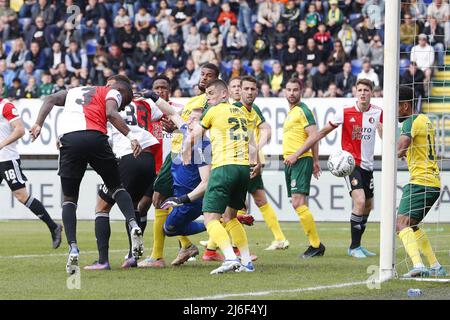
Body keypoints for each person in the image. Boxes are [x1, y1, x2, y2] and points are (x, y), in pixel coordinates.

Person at [29, 75, 144, 274]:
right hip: (95, 138)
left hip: (70, 140)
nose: (124, 106)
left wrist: (38, 123)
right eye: (126, 101)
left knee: (69, 199)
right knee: (116, 187)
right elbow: (111, 113)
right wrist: (131, 136)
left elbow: (49, 100)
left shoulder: (74, 91)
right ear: (120, 90)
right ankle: (133, 223)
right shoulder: (112, 90)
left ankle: (73, 246)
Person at [139, 64, 220, 268]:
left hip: (186, 158)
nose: (204, 78)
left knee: (165, 208)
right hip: (176, 155)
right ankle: (182, 246)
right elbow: (176, 117)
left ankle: (158, 256)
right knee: (162, 202)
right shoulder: (193, 102)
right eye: (202, 74)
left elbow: (203, 129)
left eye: (209, 76)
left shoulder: (212, 103)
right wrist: (154, 98)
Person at [292, 79, 382, 258]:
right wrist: (302, 150)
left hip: (368, 166)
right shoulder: (346, 112)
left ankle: (358, 245)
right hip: (351, 164)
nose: (363, 93)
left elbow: (385, 135)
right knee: (360, 201)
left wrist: (382, 130)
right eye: (360, 90)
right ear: (355, 92)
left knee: (368, 206)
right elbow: (323, 131)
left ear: (371, 93)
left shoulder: (379, 113)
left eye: (366, 90)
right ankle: (354, 247)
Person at [84, 76, 164, 270]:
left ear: (117, 87)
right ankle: (132, 256)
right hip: (147, 158)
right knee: (134, 206)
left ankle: (103, 261)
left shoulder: (105, 102)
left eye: (109, 85)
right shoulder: (144, 102)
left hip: (128, 155)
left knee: (102, 207)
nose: (106, 88)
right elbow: (162, 114)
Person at [186, 79, 256, 274]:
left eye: (210, 93)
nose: (207, 98)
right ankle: (246, 261)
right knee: (231, 216)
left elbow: (195, 135)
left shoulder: (214, 111)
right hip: (243, 168)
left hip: (224, 167)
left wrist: (185, 151)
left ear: (224, 95)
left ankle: (230, 258)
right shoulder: (241, 112)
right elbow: (251, 142)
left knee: (210, 217)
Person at [396, 85, 446, 278]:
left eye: (397, 105)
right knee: (412, 225)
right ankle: (435, 266)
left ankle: (419, 265)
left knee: (401, 224)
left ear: (406, 106)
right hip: (431, 181)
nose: (395, 110)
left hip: (421, 181)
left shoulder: (410, 122)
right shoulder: (425, 119)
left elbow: (400, 149)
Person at [0, 97, 62, 249]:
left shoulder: (5, 106)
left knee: (21, 196)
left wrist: (1, 145)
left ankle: (53, 226)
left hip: (7, 159)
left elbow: (20, 129)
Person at [236, 76, 289, 250]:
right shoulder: (235, 109)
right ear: (239, 91)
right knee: (246, 202)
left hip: (247, 163)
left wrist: (256, 155)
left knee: (241, 203)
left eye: (253, 89)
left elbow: (264, 132)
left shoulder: (254, 109)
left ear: (257, 91)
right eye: (246, 89)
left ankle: (216, 246)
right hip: (238, 161)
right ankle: (215, 244)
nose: (250, 92)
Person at [281, 78, 325, 259]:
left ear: (302, 91)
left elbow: (314, 135)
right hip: (292, 161)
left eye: (295, 90)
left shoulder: (303, 110)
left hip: (299, 160)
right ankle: (314, 244)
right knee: (299, 203)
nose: (292, 93)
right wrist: (315, 161)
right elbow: (312, 137)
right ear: (285, 91)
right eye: (289, 89)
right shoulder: (292, 112)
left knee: (298, 203)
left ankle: (316, 245)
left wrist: (299, 155)